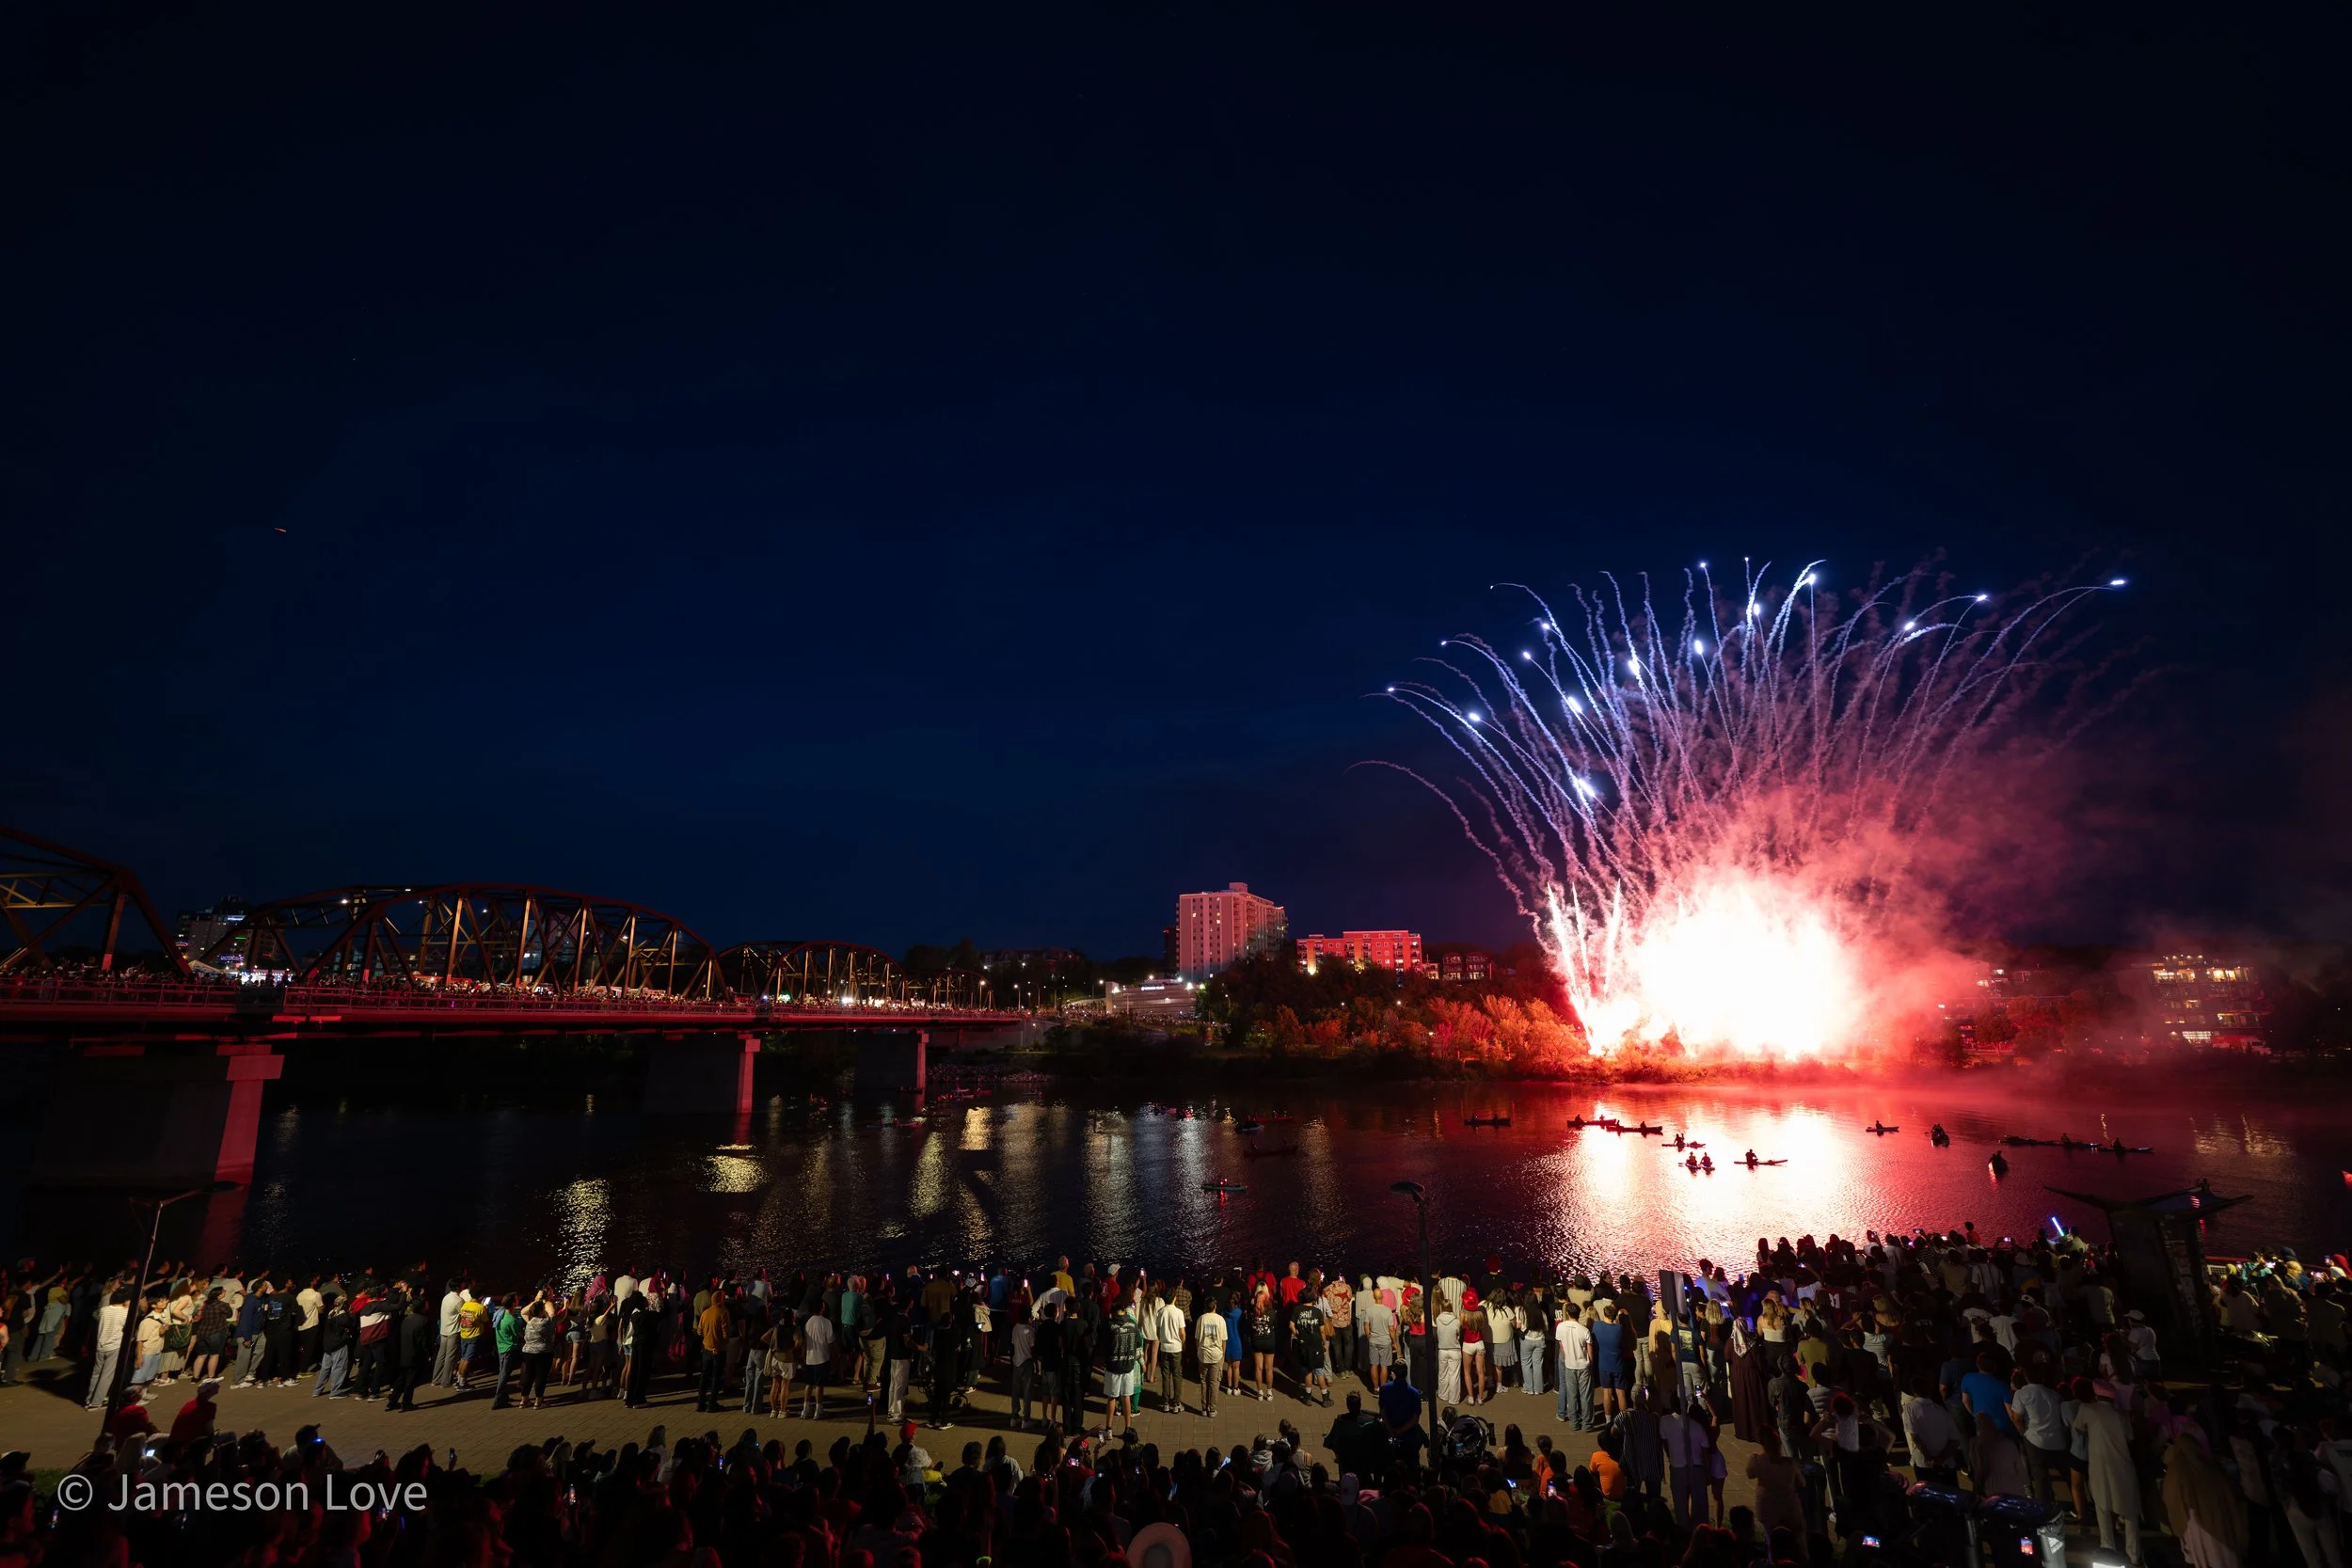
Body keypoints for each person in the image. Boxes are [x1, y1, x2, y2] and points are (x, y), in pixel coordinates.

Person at [1196, 1294, 1227, 1417]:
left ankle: (1204, 1408)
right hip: (1216, 1354)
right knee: (1214, 1382)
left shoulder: (1201, 1319)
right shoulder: (1220, 1320)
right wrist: (1223, 1354)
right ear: (1215, 1306)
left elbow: (1197, 1338)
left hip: (1203, 1353)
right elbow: (1224, 1340)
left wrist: (1198, 1349)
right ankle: (1212, 1409)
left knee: (1204, 1381)